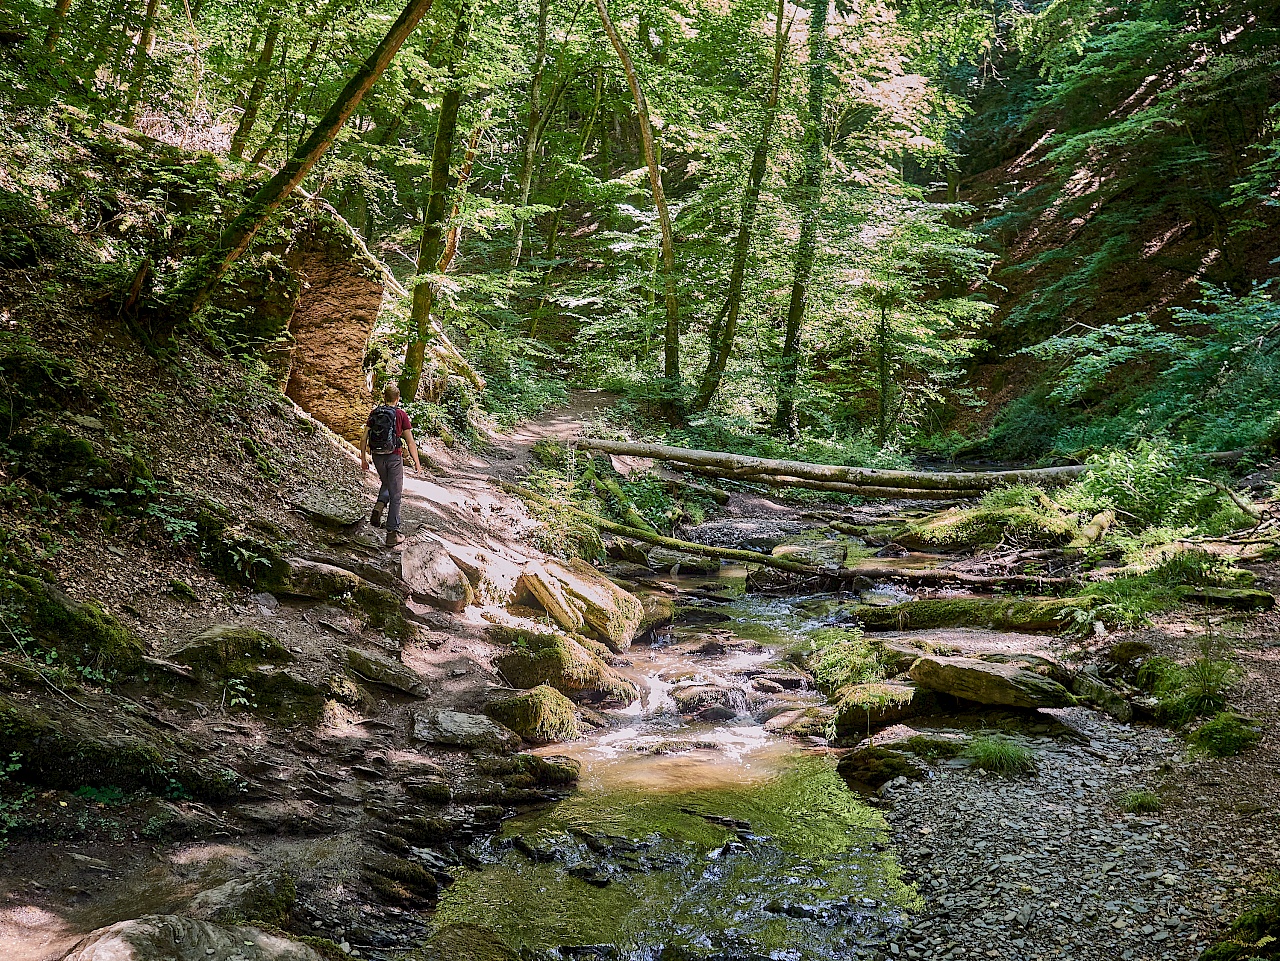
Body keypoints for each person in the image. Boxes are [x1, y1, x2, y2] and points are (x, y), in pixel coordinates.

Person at [360, 383, 423, 548]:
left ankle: (380, 505)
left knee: (387, 483)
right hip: (394, 456)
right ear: (397, 399)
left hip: (377, 456)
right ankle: (392, 534)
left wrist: (364, 459)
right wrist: (417, 463)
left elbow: (363, 437)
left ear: (384, 398)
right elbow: (410, 442)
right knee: (396, 495)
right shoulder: (401, 414)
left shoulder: (375, 413)